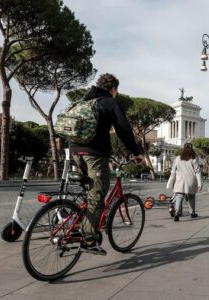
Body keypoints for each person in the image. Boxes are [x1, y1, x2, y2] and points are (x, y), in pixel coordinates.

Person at [71, 73, 140, 255]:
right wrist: (136, 152)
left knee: (90, 193)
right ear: (114, 89)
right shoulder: (110, 102)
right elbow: (123, 129)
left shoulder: (84, 100)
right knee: (98, 195)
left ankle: (78, 223)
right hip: (95, 154)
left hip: (75, 151)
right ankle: (89, 240)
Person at [166, 143, 202, 222]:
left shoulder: (178, 158)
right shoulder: (194, 158)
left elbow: (173, 171)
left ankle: (177, 212)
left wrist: (171, 181)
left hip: (180, 180)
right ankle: (192, 213)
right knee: (191, 197)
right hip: (191, 180)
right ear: (192, 149)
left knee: (179, 196)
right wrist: (199, 184)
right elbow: (198, 171)